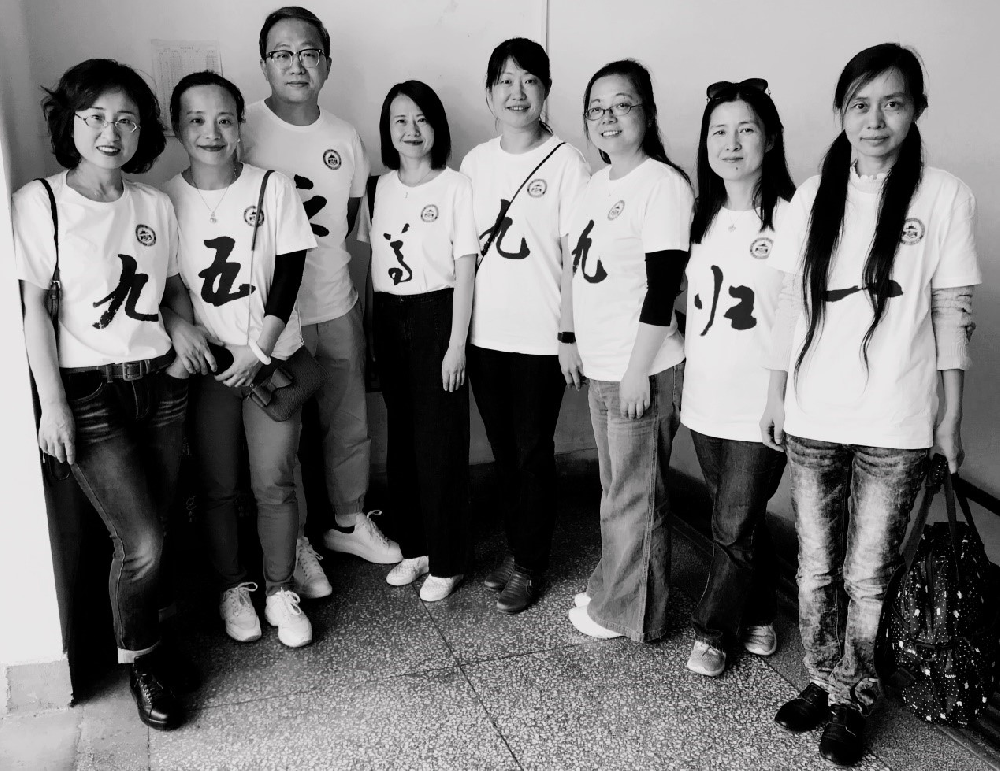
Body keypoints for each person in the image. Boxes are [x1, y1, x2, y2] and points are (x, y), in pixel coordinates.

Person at [760, 43, 979, 766]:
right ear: (841, 113)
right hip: (814, 413)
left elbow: (952, 312)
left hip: (897, 417)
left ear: (917, 110)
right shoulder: (812, 196)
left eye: (892, 103)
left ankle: (855, 694)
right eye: (860, 105)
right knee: (815, 566)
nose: (875, 120)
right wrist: (775, 393)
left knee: (867, 574)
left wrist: (949, 416)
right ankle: (824, 677)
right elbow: (787, 304)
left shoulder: (943, 196)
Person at [13, 59, 196, 730]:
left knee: (161, 526)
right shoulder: (41, 202)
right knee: (140, 539)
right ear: (70, 122)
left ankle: (153, 639)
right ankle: (141, 662)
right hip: (89, 393)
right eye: (95, 117)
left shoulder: (153, 205)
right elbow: (35, 311)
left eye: (126, 119)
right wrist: (52, 403)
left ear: (142, 130)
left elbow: (169, 290)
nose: (110, 132)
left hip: (160, 384)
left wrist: (181, 325)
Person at [242, 6, 401, 602]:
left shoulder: (345, 137)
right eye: (282, 54)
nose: (296, 65)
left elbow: (351, 224)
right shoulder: (243, 128)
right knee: (283, 435)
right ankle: (299, 542)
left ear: (327, 64)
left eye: (309, 53)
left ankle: (348, 521)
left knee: (347, 421)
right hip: (270, 318)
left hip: (335, 302)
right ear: (264, 63)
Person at [163, 71, 318, 649]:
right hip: (209, 369)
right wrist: (185, 332)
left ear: (239, 125)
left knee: (274, 480)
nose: (211, 132)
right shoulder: (162, 200)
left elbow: (290, 273)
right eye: (197, 120)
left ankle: (280, 589)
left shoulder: (271, 187)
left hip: (269, 361)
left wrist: (258, 349)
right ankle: (233, 587)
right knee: (218, 486)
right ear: (178, 127)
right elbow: (166, 284)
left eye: (224, 119)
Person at [460, 38, 590, 614]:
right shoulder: (475, 163)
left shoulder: (567, 162)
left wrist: (567, 334)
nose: (517, 93)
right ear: (489, 94)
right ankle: (518, 552)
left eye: (529, 80)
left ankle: (531, 564)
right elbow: (465, 254)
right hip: (485, 336)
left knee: (533, 452)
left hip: (541, 339)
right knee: (504, 450)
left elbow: (576, 258)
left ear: (545, 91)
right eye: (506, 81)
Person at [566, 60, 694, 642]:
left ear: (647, 112)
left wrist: (638, 369)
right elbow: (579, 271)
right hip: (606, 367)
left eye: (622, 105)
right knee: (617, 491)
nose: (608, 117)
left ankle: (629, 613)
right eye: (597, 108)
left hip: (641, 368)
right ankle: (612, 588)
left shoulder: (662, 184)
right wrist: (570, 339)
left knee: (636, 497)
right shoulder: (597, 185)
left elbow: (662, 287)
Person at [680, 79, 795, 677]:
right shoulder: (698, 217)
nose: (731, 143)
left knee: (731, 522)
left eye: (745, 129)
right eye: (719, 131)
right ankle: (762, 610)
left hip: (762, 401)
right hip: (704, 396)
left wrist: (781, 398)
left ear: (769, 139)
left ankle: (713, 632)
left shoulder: (794, 219)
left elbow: (801, 316)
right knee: (738, 521)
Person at [371, 81, 478, 601]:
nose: (411, 130)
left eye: (421, 118)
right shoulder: (380, 188)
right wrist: (371, 332)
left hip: (438, 314)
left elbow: (466, 268)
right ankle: (414, 548)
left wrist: (457, 344)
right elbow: (374, 262)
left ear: (437, 125)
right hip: (388, 315)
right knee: (403, 440)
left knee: (441, 442)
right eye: (400, 120)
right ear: (388, 131)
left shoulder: (456, 186)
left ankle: (448, 558)